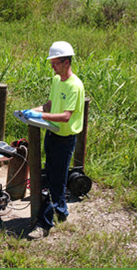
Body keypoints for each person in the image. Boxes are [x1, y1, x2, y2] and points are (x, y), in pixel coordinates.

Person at [23, 41, 85, 239]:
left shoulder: (75, 86)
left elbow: (66, 115)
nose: (52, 66)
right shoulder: (57, 81)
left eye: (56, 63)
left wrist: (41, 117)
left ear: (67, 62)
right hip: (51, 134)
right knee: (52, 176)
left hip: (65, 139)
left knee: (53, 182)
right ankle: (61, 212)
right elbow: (50, 104)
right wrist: (33, 111)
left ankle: (44, 225)